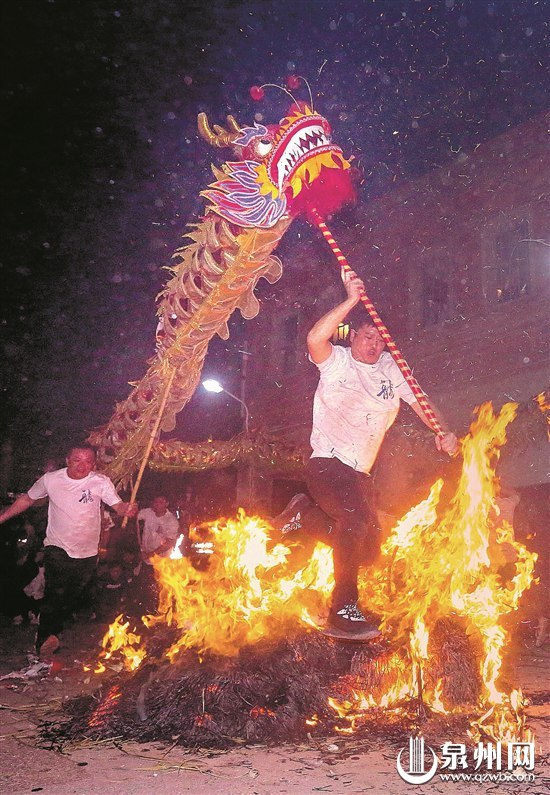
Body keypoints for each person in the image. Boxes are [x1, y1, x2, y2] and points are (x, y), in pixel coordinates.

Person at [275, 269, 458, 638]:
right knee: (355, 524)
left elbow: (422, 403)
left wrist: (443, 430)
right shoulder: (337, 361)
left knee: (369, 552)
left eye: (380, 340)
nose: (373, 345)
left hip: (360, 474)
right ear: (354, 336)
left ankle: (305, 515)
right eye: (367, 336)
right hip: (327, 464)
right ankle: (342, 610)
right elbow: (314, 337)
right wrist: (351, 300)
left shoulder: (393, 369)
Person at [0, 443, 137, 657]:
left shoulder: (100, 482)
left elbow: (117, 505)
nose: (82, 465)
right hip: (58, 546)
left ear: (94, 463)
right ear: (67, 460)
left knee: (72, 597)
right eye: (77, 460)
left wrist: (126, 508)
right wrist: (2, 517)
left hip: (88, 552)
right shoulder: (51, 479)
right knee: (55, 592)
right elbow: (27, 499)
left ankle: (52, 633)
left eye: (88, 461)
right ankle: (46, 639)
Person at [136, 495, 180, 612]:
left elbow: (170, 542)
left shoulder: (171, 521)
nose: (157, 504)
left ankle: (163, 614)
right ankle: (146, 614)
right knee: (145, 589)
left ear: (166, 503)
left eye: (160, 502)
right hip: (146, 560)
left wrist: (151, 554)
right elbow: (134, 517)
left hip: (162, 562)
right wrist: (132, 508)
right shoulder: (148, 513)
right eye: (155, 501)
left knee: (161, 589)